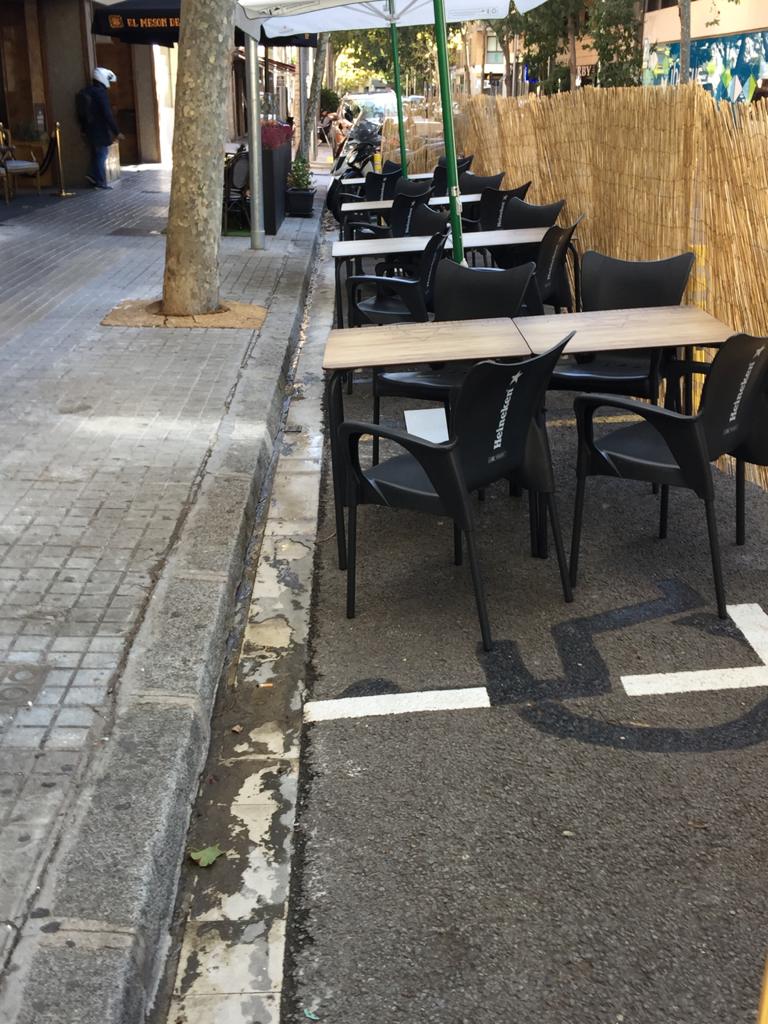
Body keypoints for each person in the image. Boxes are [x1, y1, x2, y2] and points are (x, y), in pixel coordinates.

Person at [77, 67, 123, 190]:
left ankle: (93, 176)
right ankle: (99, 181)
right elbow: (107, 114)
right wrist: (116, 131)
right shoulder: (101, 94)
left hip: (88, 129)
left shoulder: (87, 91)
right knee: (102, 153)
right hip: (100, 130)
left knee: (96, 154)